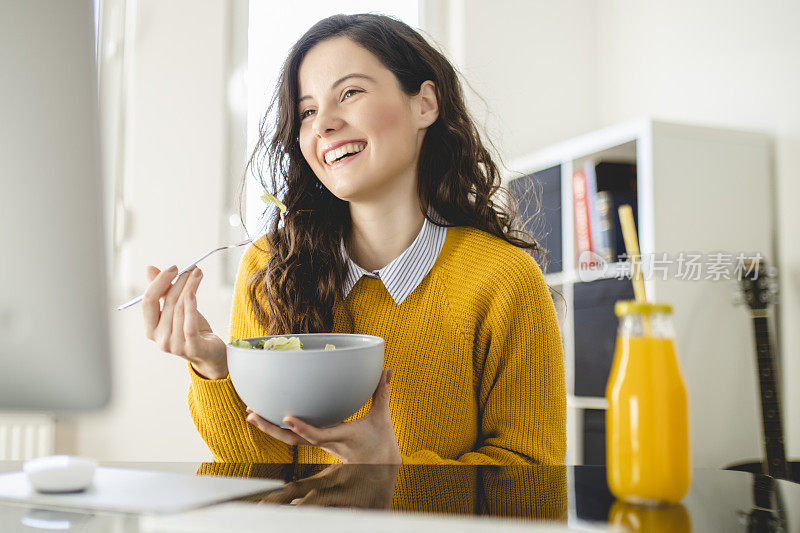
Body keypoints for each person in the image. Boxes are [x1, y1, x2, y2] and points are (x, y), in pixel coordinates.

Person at [142, 13, 565, 465]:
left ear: (424, 104)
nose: (323, 124)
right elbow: (259, 476)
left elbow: (532, 485)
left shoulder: (503, 280)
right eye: (307, 111)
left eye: (350, 93)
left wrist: (387, 473)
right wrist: (217, 368)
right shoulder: (270, 266)